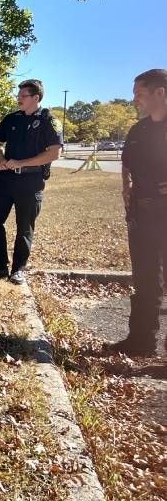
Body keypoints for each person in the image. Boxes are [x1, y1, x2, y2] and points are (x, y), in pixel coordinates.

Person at [0, 79, 63, 285]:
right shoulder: (12, 118)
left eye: (23, 96)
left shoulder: (49, 120)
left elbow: (54, 153)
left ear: (35, 98)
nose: (18, 99)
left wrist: (21, 162)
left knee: (24, 227)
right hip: (5, 179)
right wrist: (2, 160)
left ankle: (18, 270)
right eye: (18, 95)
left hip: (31, 181)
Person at [110, 69, 167, 356]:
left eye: (139, 94)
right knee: (145, 280)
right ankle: (142, 341)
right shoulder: (139, 130)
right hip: (141, 216)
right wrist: (125, 186)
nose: (134, 100)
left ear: (160, 93)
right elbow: (127, 163)